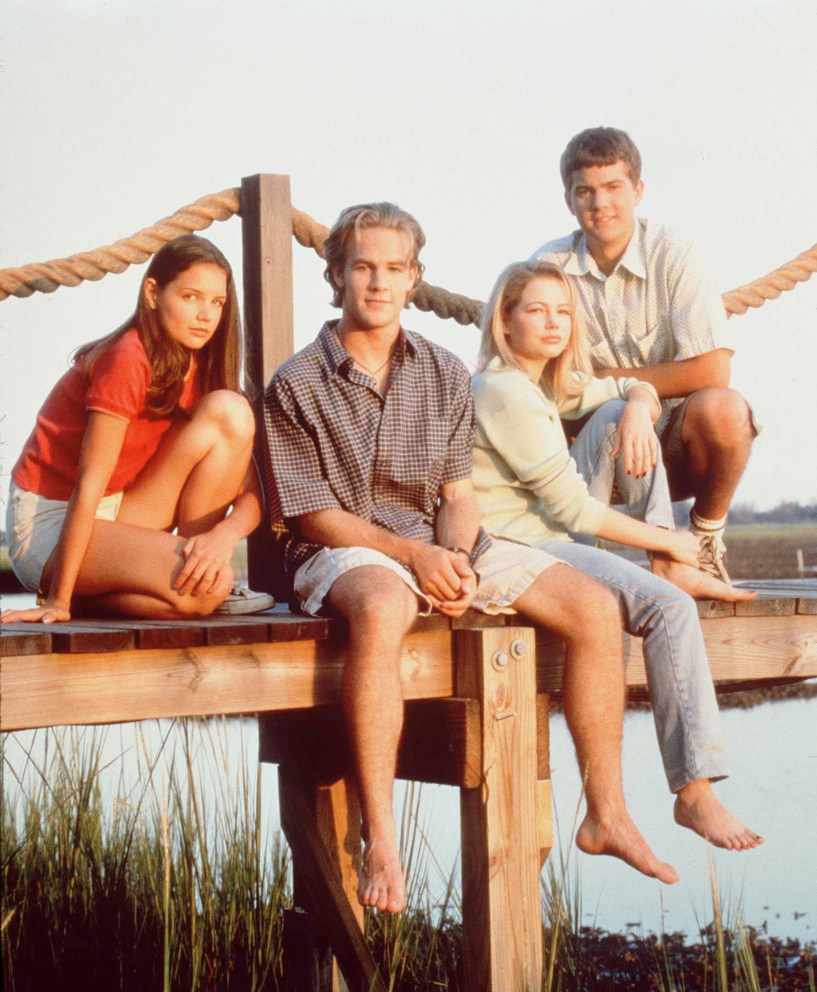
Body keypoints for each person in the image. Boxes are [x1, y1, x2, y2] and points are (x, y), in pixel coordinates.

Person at [265, 202, 700, 918]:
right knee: (385, 604)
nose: (378, 282)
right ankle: (380, 836)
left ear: (415, 279)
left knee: (594, 607)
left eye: (394, 269)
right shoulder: (297, 381)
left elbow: (456, 493)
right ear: (336, 274)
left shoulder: (440, 370)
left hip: (433, 537)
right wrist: (412, 555)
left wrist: (457, 552)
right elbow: (313, 514)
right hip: (339, 548)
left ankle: (606, 813)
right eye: (364, 267)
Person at [471, 258, 762, 870]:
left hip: (551, 534)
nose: (553, 323)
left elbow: (624, 390)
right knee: (668, 605)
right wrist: (679, 542)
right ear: (504, 319)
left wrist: (637, 404)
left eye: (563, 311)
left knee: (611, 416)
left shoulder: (548, 385)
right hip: (521, 546)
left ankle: (664, 556)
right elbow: (571, 506)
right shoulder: (502, 390)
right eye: (535, 310)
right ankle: (694, 791)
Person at [2, 234, 270, 625]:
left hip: (117, 509)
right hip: (52, 524)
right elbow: (89, 484)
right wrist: (58, 600)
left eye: (217, 302)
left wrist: (220, 539)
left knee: (232, 410)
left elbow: (252, 495)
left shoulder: (200, 369)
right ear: (152, 294)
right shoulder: (127, 359)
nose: (206, 315)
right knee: (206, 593)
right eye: (190, 296)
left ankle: (196, 571)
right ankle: (75, 595)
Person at [532, 126, 758, 583]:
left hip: (676, 446)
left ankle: (703, 540)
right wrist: (621, 399)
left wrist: (627, 387)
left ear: (637, 190)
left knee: (726, 410)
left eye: (614, 187)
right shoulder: (549, 267)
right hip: (597, 446)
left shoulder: (673, 253)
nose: (601, 204)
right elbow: (534, 376)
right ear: (569, 200)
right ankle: (569, 557)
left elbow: (715, 369)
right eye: (586, 192)